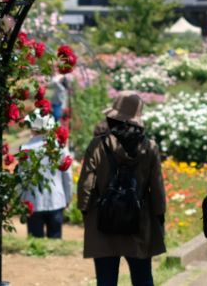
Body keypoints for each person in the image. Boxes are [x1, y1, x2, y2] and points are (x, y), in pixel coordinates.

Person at [78, 94, 166, 286]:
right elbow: (157, 188)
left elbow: (86, 185)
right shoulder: (149, 147)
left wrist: (86, 211)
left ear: (113, 118)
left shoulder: (98, 145)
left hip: (104, 221)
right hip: (138, 220)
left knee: (106, 280)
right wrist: (159, 215)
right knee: (143, 278)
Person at [19, 113, 73, 239]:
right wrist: (68, 197)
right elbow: (67, 176)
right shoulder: (59, 148)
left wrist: (21, 199)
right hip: (56, 199)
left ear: (32, 127)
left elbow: (21, 177)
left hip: (33, 201)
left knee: (35, 244)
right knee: (55, 244)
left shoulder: (25, 149)